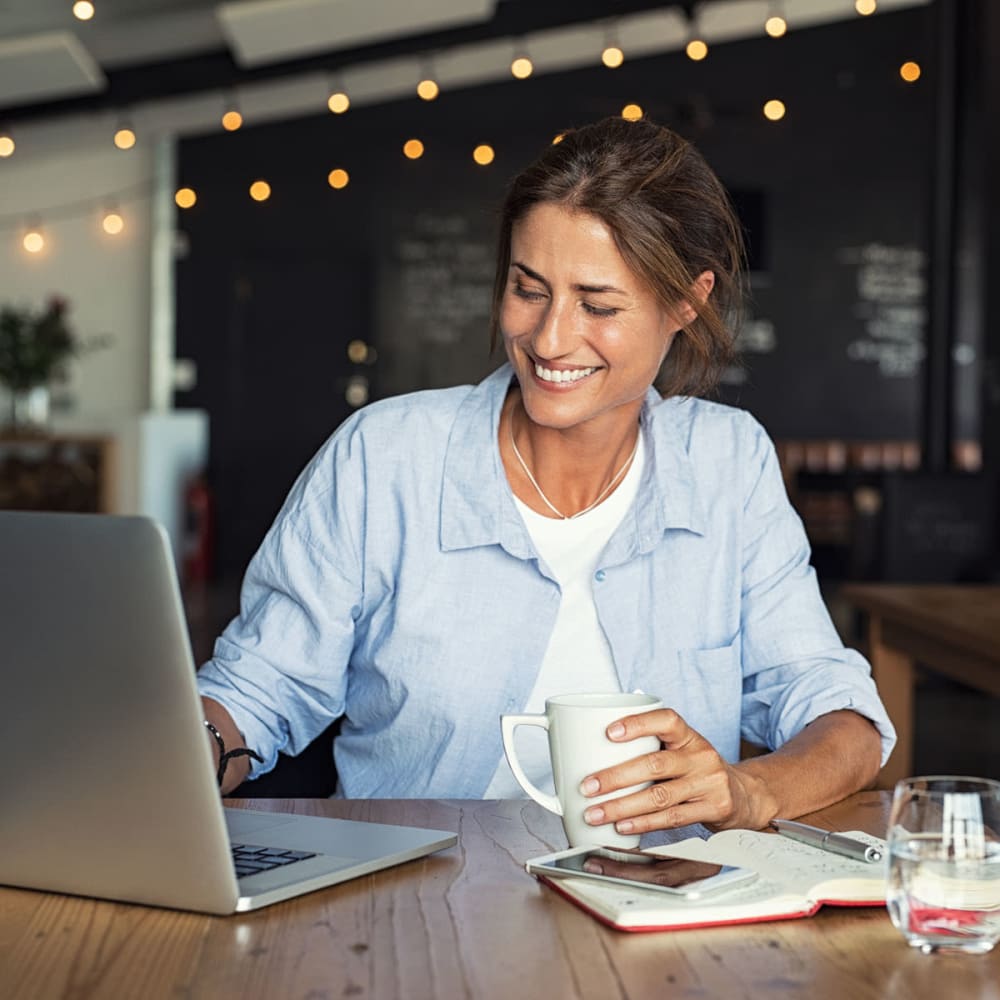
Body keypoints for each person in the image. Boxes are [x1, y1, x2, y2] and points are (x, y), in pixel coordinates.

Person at [198, 116, 894, 838]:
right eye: (529, 290)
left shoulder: (727, 464)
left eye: (598, 305)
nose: (551, 338)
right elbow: (258, 687)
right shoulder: (386, 456)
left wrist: (749, 791)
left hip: (668, 919)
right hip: (417, 912)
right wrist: (185, 750)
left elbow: (842, 719)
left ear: (687, 303)